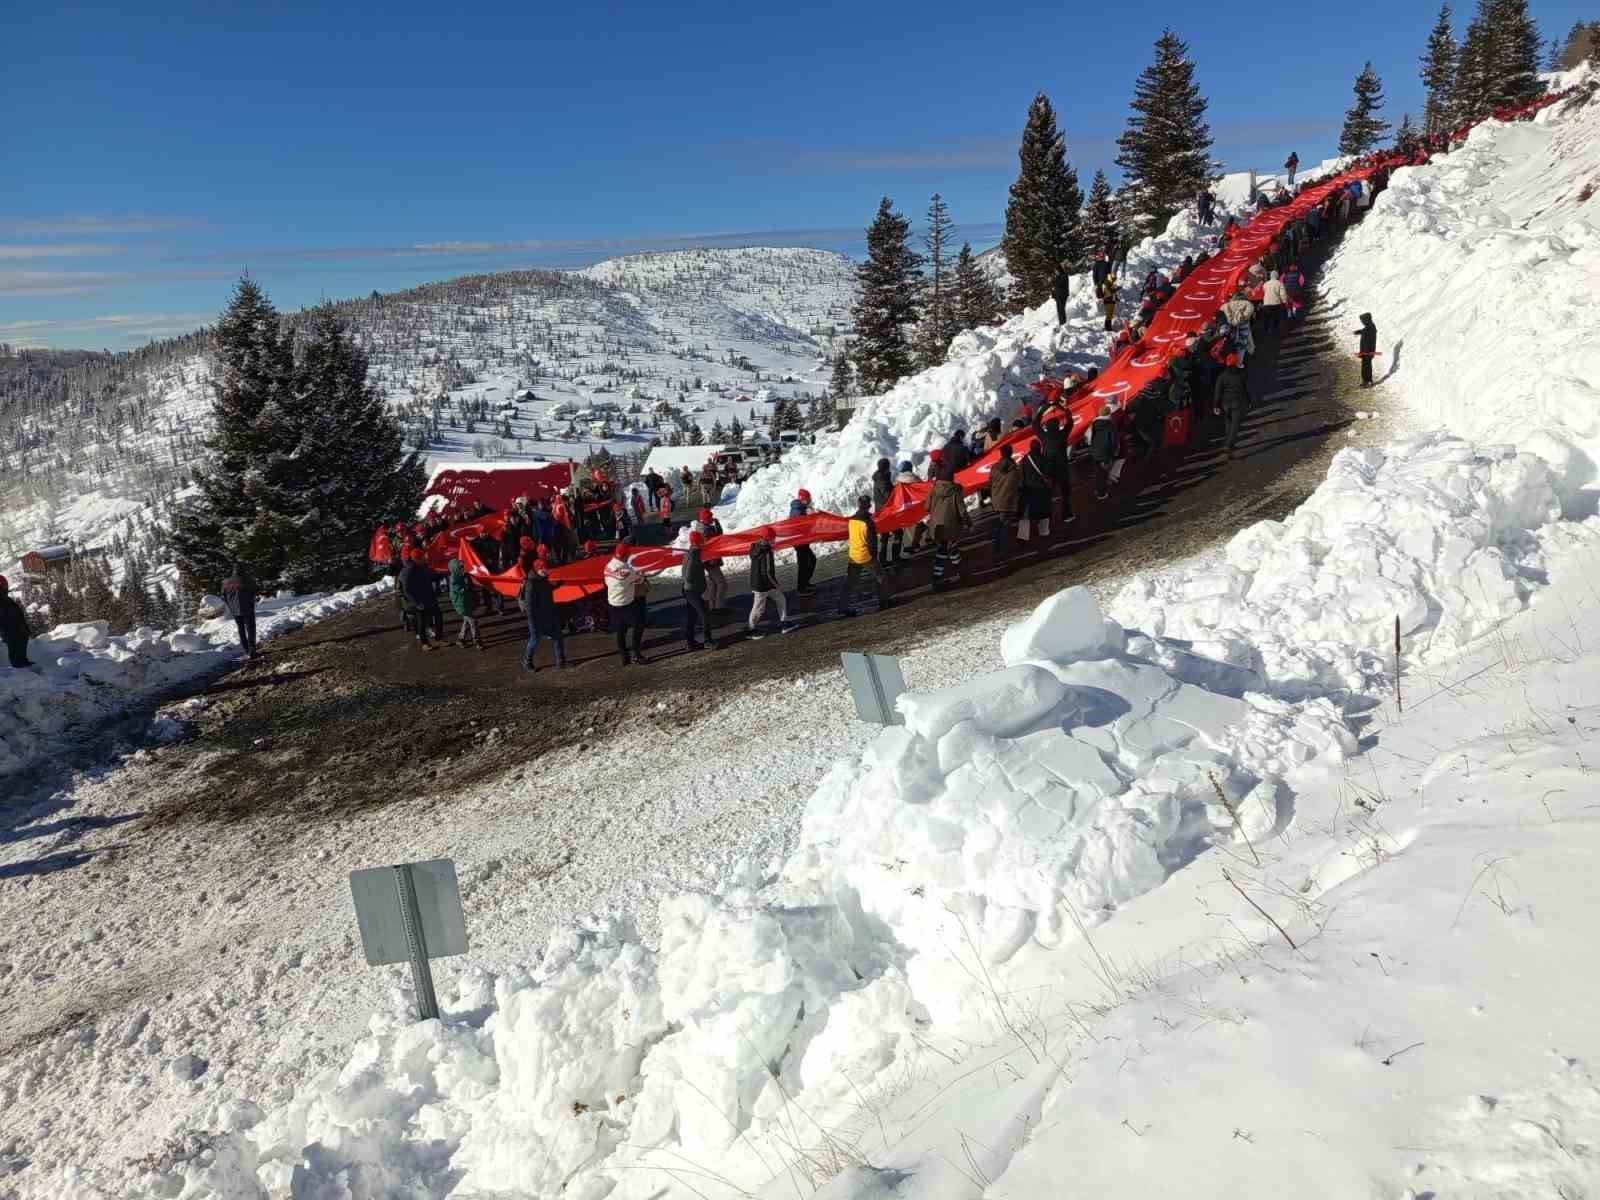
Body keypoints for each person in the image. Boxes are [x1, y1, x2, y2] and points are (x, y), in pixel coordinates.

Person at [840, 495, 889, 617]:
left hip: (853, 555)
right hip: (866, 556)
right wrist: (874, 557)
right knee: (881, 577)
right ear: (869, 506)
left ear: (858, 505)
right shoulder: (868, 522)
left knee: (849, 583)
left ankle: (842, 607)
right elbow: (872, 542)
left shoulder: (852, 520)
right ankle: (884, 603)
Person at [604, 542, 649, 665]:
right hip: (627, 605)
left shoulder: (608, 566)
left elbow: (608, 583)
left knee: (620, 632)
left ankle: (624, 657)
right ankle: (636, 654)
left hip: (613, 605)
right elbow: (639, 579)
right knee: (639, 625)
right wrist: (642, 574)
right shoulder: (627, 571)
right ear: (624, 556)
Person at [519, 558, 567, 671]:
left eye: (547, 569)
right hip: (537, 618)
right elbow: (529, 604)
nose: (547, 571)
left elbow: (547, 589)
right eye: (544, 569)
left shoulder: (542, 578)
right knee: (535, 640)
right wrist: (533, 619)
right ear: (538, 569)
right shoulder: (531, 583)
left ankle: (560, 660)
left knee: (558, 637)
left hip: (548, 613)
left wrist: (557, 585)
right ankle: (527, 662)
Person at [746, 526, 788, 638]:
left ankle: (784, 623)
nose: (774, 540)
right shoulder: (766, 552)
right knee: (758, 609)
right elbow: (767, 572)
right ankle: (750, 630)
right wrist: (776, 585)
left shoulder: (756, 547)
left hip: (760, 582)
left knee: (781, 599)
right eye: (773, 538)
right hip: (762, 585)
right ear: (768, 539)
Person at [399, 549, 444, 651]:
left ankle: (439, 638)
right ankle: (425, 643)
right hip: (420, 602)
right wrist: (416, 603)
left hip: (430, 597)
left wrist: (445, 573)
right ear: (417, 559)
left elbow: (432, 576)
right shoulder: (408, 571)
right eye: (423, 557)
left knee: (438, 618)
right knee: (422, 622)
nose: (425, 558)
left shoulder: (423, 567)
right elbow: (407, 589)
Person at [681, 530, 714, 650]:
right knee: (704, 614)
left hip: (689, 590)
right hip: (692, 591)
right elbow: (688, 575)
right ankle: (707, 640)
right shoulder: (694, 555)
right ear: (698, 542)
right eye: (701, 541)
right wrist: (699, 577)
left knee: (692, 617)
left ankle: (690, 643)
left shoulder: (691, 552)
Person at [1214, 353, 1251, 457]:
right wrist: (1249, 401)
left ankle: (1228, 441)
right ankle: (1229, 444)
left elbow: (1217, 392)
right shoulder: (1242, 374)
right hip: (1238, 402)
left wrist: (1216, 405)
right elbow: (1246, 389)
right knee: (1235, 424)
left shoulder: (1222, 376)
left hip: (1225, 403)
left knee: (1228, 422)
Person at [988, 443, 1021, 557]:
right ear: (1011, 453)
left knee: (1001, 524)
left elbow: (990, 483)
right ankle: (1001, 550)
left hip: (997, 501)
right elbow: (1018, 482)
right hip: (1009, 500)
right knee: (1004, 526)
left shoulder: (994, 467)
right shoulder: (1014, 467)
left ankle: (997, 548)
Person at [222, 560, 259, 659]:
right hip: (247, 608)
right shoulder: (248, 580)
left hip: (234, 610)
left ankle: (246, 650)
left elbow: (224, 596)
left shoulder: (226, 582)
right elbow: (255, 591)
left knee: (241, 629)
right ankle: (252, 649)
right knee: (251, 629)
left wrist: (230, 605)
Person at [926, 465, 971, 547]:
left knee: (942, 548)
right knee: (952, 546)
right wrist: (969, 523)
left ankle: (942, 557)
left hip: (936, 527)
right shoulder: (956, 491)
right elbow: (962, 511)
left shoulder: (933, 490)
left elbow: (927, 507)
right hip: (951, 526)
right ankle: (954, 556)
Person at [1088, 402, 1122, 500]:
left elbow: (1090, 437)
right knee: (1103, 473)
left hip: (1095, 451)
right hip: (1105, 453)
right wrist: (1115, 451)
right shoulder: (1111, 425)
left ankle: (1098, 488)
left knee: (1098, 472)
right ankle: (1101, 493)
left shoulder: (1094, 423)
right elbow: (1114, 440)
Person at [447, 557, 483, 649]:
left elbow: (471, 588)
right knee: (473, 621)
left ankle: (461, 639)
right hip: (462, 604)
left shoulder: (464, 576)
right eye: (460, 567)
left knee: (467, 621)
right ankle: (477, 641)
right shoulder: (453, 579)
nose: (462, 568)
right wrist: (466, 587)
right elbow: (459, 591)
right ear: (455, 569)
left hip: (468, 602)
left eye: (462, 567)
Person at [0, 575, 33, 669]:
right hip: (11, 632)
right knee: (15, 653)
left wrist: (24, 628)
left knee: (20, 651)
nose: (7, 588)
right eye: (5, 586)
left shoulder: (6, 599)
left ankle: (23, 663)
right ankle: (20, 669)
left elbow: (17, 615)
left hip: (17, 631)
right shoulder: (3, 600)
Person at [697, 508, 728, 610]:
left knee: (713, 583)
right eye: (710, 517)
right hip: (711, 560)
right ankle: (719, 606)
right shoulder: (705, 530)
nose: (712, 519)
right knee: (721, 583)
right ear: (706, 519)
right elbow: (716, 540)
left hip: (708, 560)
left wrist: (717, 524)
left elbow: (718, 536)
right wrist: (713, 557)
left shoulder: (704, 527)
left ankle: (712, 606)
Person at [790, 488, 818, 595]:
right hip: (799, 542)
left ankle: (805, 583)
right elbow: (801, 525)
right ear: (803, 499)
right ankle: (802, 588)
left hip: (802, 541)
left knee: (810, 560)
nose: (810, 500)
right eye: (808, 499)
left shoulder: (801, 508)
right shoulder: (798, 510)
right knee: (804, 564)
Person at [1354, 312, 1379, 387]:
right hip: (1364, 351)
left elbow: (1370, 338)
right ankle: (1365, 380)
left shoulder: (1371, 328)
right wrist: (1359, 332)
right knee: (1364, 366)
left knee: (1367, 366)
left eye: (1363, 321)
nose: (1362, 322)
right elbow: (1365, 330)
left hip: (1368, 351)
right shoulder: (1369, 327)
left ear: (1367, 320)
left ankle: (1369, 381)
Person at [1051, 261, 1071, 325]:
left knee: (1061, 309)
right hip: (1058, 295)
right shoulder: (1058, 276)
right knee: (1060, 310)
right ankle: (1062, 322)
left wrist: (1054, 281)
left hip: (1062, 295)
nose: (1055, 272)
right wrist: (1053, 295)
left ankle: (1063, 323)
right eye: (1055, 271)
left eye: (1056, 271)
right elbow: (1054, 287)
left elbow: (1060, 285)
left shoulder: (1063, 275)